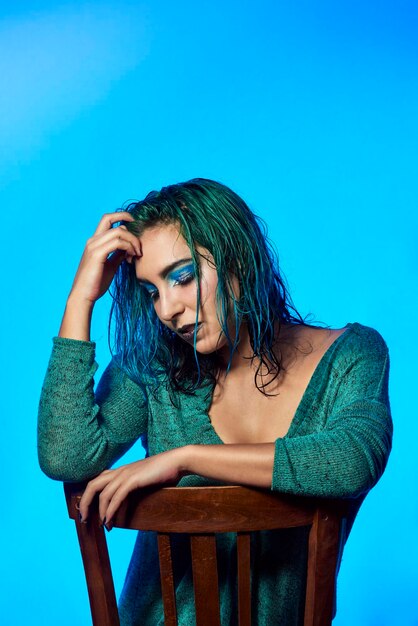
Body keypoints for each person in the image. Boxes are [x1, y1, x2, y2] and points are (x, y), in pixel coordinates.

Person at [38, 178, 392, 625]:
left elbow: (353, 461)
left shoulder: (351, 356)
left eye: (182, 278)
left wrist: (186, 459)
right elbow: (66, 457)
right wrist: (80, 300)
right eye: (151, 292)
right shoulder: (155, 369)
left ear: (238, 260)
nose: (166, 309)